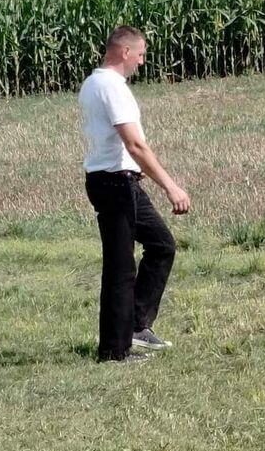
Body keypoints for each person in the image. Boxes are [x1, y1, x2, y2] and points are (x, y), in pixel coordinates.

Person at [78, 25, 191, 363]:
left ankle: (137, 325)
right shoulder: (111, 86)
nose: (142, 62)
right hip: (114, 183)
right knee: (120, 267)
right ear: (124, 52)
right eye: (140, 54)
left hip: (119, 180)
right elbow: (135, 143)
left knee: (161, 245)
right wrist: (171, 186)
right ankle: (114, 350)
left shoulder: (94, 82)